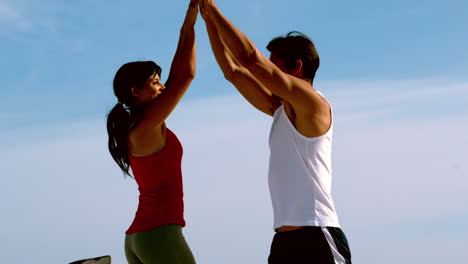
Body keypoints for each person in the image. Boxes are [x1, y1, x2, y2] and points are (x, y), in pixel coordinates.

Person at [199, 0, 351, 263]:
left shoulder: (312, 104)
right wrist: (208, 19)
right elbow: (233, 71)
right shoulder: (280, 109)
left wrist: (214, 9)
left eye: (274, 66)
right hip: (283, 240)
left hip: (317, 234)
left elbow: (249, 60)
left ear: (296, 68)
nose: (266, 73)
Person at [106, 1, 198, 263]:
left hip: (141, 237)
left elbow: (178, 74)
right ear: (136, 92)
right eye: (155, 83)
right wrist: (190, 25)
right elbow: (186, 75)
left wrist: (188, 26)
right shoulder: (146, 127)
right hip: (159, 233)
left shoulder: (139, 126)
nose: (163, 87)